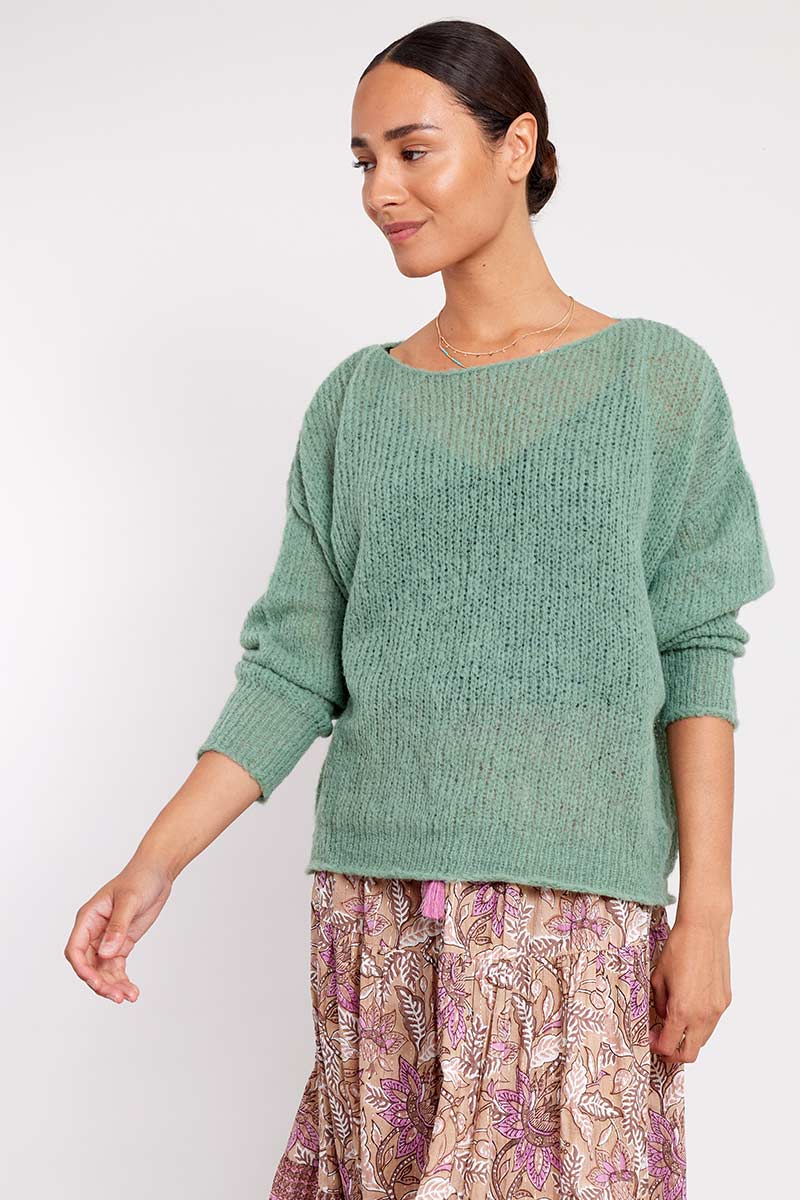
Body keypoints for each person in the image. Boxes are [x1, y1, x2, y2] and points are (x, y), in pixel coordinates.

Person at [65, 19, 775, 1199]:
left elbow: (695, 650)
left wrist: (704, 915)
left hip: (578, 925)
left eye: (411, 152)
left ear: (515, 146)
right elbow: (294, 669)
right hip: (377, 918)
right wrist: (151, 868)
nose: (379, 192)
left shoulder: (656, 380)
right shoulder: (355, 404)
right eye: (362, 162)